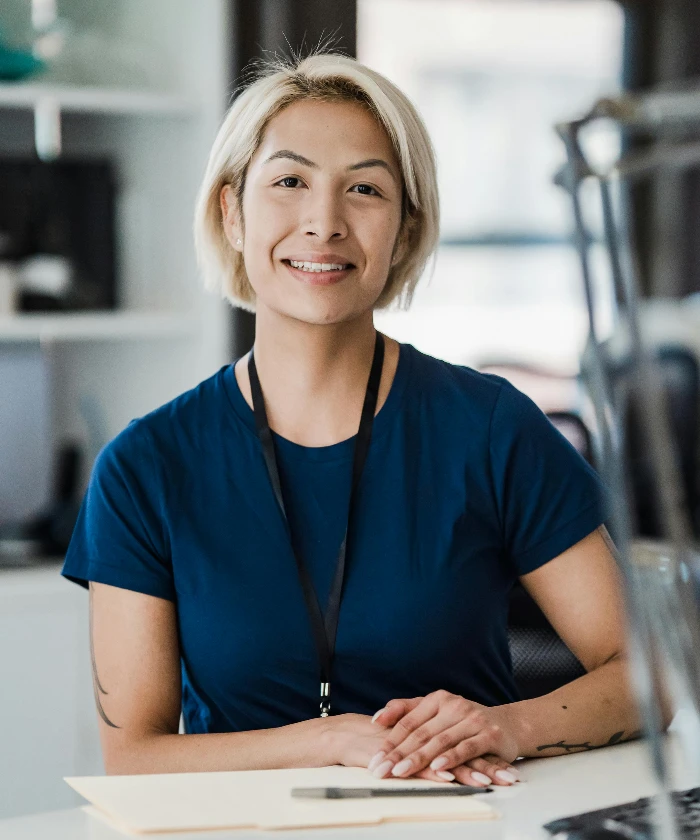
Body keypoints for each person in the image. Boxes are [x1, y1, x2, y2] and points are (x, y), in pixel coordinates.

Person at [61, 49, 642, 786]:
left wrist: (509, 724)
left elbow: (646, 675)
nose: (324, 222)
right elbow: (134, 756)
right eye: (290, 182)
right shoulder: (145, 467)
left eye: (364, 188)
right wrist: (328, 742)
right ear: (231, 212)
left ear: (403, 228)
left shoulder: (491, 428)